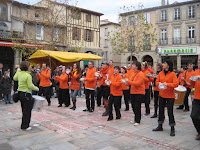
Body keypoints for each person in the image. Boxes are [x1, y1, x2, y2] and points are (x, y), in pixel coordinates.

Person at [153, 59, 178, 136]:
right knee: (160, 110)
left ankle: (172, 127)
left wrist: (167, 84)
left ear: (168, 65)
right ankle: (160, 125)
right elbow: (156, 81)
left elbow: (176, 84)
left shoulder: (173, 74)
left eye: (164, 63)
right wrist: (159, 84)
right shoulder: (160, 73)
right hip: (161, 95)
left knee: (170, 111)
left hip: (170, 96)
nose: (163, 64)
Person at [13, 61, 39, 130]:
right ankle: (25, 126)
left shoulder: (20, 73)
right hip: (27, 94)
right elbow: (30, 85)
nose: (30, 67)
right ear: (27, 67)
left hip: (20, 94)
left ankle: (23, 124)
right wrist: (37, 88)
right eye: (29, 66)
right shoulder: (28, 75)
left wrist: (18, 71)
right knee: (27, 111)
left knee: (24, 110)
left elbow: (15, 78)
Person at [126, 61, 145, 126]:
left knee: (137, 106)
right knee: (133, 106)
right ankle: (135, 118)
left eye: (133, 65)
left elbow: (138, 83)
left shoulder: (141, 74)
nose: (132, 66)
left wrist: (129, 82)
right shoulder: (132, 73)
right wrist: (126, 82)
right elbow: (130, 81)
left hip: (139, 92)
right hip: (132, 91)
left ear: (137, 66)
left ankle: (138, 120)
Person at [190, 57, 200, 140]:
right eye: (199, 60)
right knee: (194, 116)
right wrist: (192, 79)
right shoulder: (196, 72)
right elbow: (192, 84)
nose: (199, 62)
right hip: (197, 98)